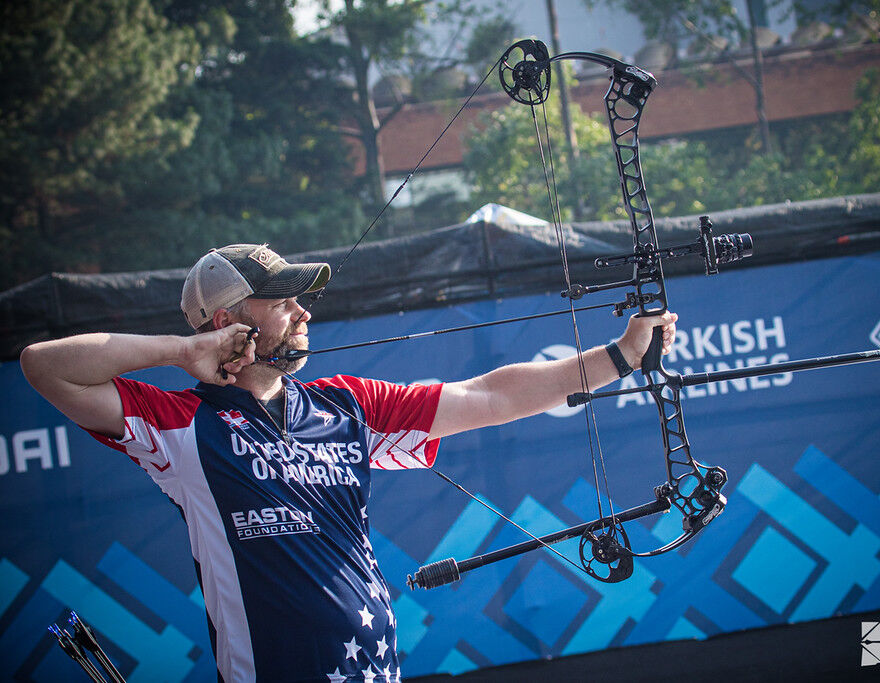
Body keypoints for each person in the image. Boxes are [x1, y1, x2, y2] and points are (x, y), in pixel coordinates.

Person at [20, 243, 677, 683]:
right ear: (227, 321)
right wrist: (179, 351)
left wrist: (619, 355)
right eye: (281, 300)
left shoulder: (346, 407)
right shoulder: (181, 425)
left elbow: (490, 395)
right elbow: (44, 368)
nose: (304, 310)